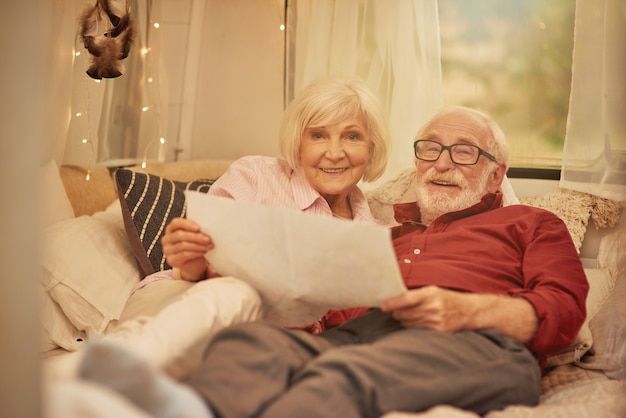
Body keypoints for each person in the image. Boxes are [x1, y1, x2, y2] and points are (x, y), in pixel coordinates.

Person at [78, 105, 588, 418]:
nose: (441, 164)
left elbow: (563, 311)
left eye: (463, 153)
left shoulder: (532, 224)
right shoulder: (384, 236)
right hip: (363, 337)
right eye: (430, 150)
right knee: (252, 343)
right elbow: (332, 314)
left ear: (496, 175)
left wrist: (469, 313)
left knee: (345, 372)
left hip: (479, 344)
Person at [46, 75, 390, 382]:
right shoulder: (256, 176)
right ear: (298, 142)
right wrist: (193, 262)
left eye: (352, 136)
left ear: (371, 147)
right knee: (239, 294)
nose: (334, 152)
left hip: (270, 342)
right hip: (188, 298)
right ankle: (86, 377)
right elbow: (203, 264)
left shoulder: (375, 234)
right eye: (318, 135)